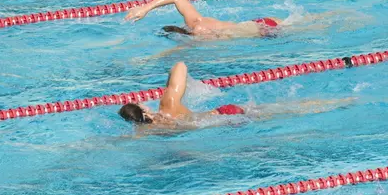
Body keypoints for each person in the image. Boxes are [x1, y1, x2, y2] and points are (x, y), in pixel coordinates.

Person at [118, 61, 352, 131]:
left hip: (223, 123)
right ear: (145, 110)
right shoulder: (167, 105)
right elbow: (180, 65)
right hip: (224, 112)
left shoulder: (152, 131)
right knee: (289, 108)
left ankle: (333, 105)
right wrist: (169, 80)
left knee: (284, 116)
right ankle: (338, 103)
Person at [125, 0, 283, 39]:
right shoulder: (195, 23)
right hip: (259, 24)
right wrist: (145, 8)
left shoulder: (197, 27)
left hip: (265, 29)